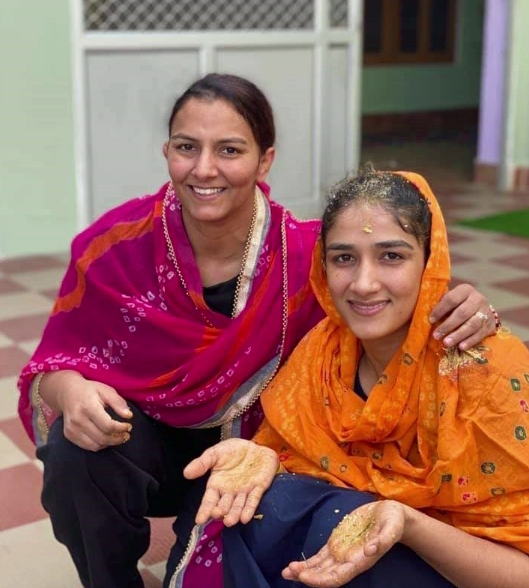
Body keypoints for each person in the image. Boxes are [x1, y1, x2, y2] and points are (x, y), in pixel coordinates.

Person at [17, 74, 496, 588]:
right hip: (140, 451)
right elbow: (49, 367)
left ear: (265, 160)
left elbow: (394, 293)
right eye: (186, 147)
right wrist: (69, 391)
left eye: (229, 149)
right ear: (166, 152)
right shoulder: (114, 247)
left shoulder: (309, 257)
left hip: (262, 452)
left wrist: (471, 309)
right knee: (74, 455)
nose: (204, 168)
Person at [183, 169, 529, 588]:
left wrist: (409, 524)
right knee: (246, 505)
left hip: (453, 570)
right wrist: (263, 457)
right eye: (344, 258)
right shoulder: (321, 354)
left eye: (392, 256)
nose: (364, 284)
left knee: (363, 545)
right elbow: (292, 454)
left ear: (430, 262)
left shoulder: (486, 372)